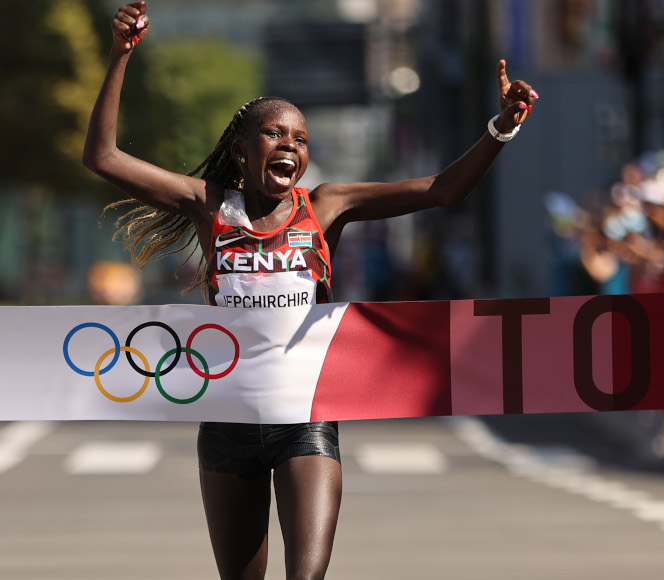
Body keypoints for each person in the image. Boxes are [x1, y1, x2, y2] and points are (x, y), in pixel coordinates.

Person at [82, 3, 537, 578]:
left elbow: (443, 190)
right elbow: (102, 157)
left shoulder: (326, 206)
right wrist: (120, 56)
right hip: (228, 419)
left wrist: (502, 127)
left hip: (306, 419)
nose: (290, 146)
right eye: (274, 133)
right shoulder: (209, 205)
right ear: (241, 149)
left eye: (300, 139)